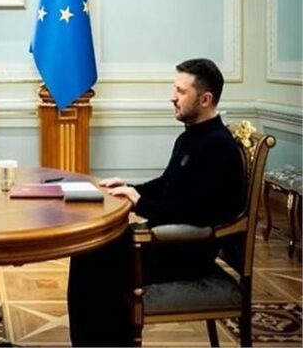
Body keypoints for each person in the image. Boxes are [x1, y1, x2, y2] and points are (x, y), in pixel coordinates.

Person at [67, 58, 245, 346]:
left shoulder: (218, 146)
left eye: (181, 91)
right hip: (169, 242)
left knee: (93, 262)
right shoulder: (192, 136)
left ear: (205, 99)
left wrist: (140, 203)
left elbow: (196, 211)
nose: (172, 97)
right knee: (88, 249)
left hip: (185, 250)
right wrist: (128, 188)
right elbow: (168, 185)